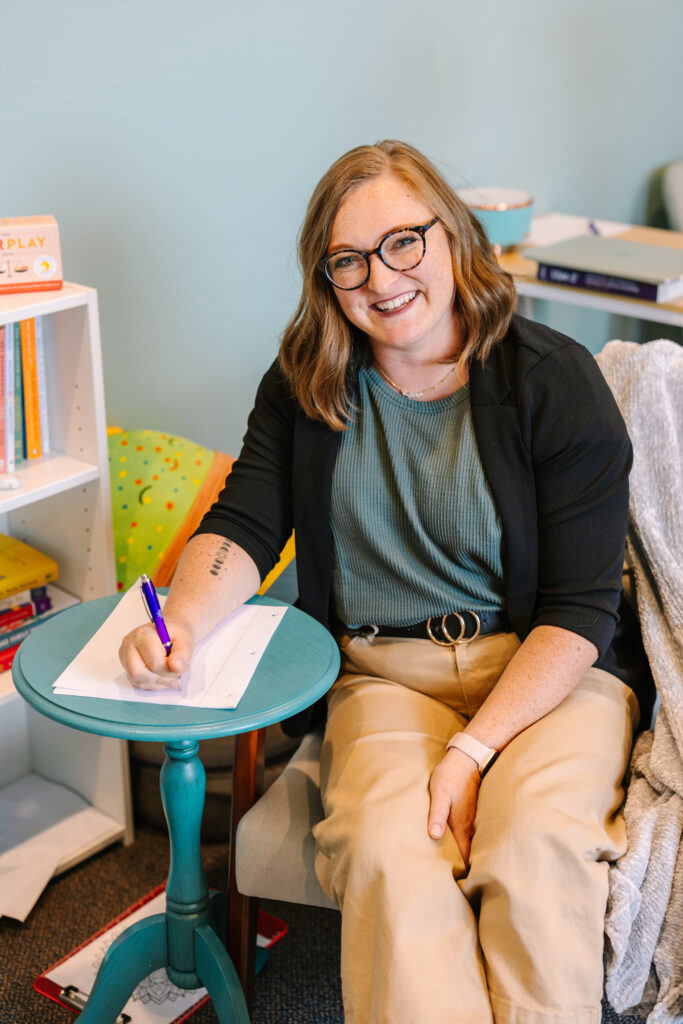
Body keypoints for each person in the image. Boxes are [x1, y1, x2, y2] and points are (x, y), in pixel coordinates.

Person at [120, 140, 642, 1024]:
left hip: (549, 671)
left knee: (534, 844)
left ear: (452, 237)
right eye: (348, 260)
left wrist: (474, 752)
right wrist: (182, 620)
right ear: (325, 278)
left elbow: (579, 610)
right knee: (386, 851)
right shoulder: (304, 383)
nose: (381, 277)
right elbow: (243, 526)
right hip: (382, 676)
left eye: (403, 241)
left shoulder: (556, 382)